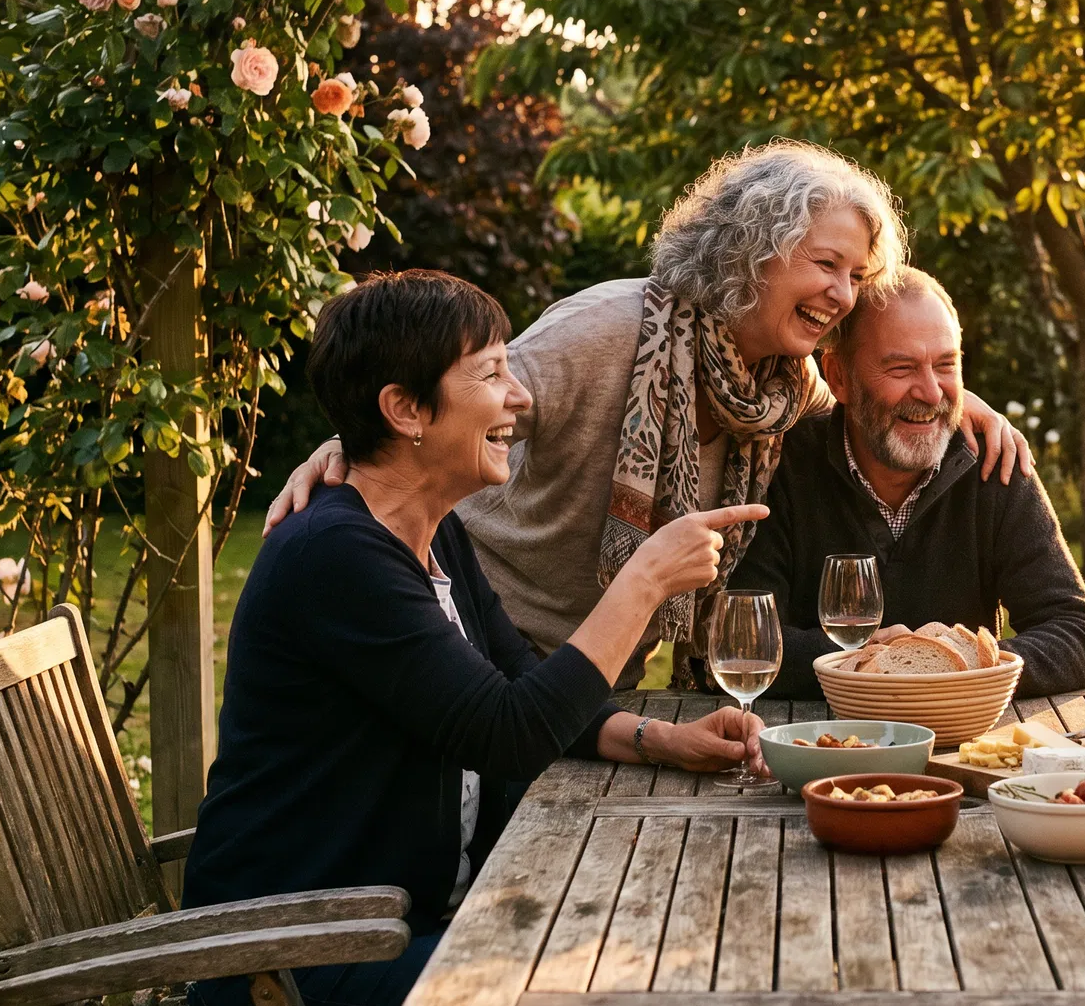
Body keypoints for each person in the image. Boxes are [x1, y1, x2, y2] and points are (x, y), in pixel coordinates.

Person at [185, 271, 768, 1006]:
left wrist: (657, 738)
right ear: (405, 410)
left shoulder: (430, 528)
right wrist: (645, 579)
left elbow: (520, 679)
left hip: (400, 926)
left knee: (662, 946)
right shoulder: (335, 556)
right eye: (491, 373)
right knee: (625, 999)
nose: (519, 396)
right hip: (293, 960)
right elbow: (508, 731)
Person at [265, 142, 1032, 690]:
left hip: (605, 674)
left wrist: (963, 400)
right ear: (750, 252)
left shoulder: (783, 386)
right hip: (481, 645)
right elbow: (458, 403)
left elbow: (874, 399)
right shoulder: (608, 330)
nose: (843, 293)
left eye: (856, 274)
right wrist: (342, 447)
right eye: (825, 264)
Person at [730, 267, 1085, 699]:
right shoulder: (781, 465)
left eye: (946, 365)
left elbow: (1080, 638)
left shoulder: (993, 465)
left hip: (963, 746)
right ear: (838, 378)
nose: (930, 393)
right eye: (902, 368)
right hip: (812, 746)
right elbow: (742, 641)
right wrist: (871, 665)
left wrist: (953, 668)